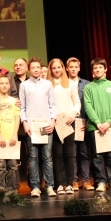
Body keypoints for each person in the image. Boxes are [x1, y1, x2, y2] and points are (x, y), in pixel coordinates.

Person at [20, 57, 57, 197]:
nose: (36, 70)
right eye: (33, 67)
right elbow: (22, 107)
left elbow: (52, 105)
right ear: (29, 69)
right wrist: (25, 123)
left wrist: (52, 122)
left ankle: (49, 186)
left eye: (38, 67)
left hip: (46, 125)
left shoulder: (48, 84)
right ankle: (35, 186)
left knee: (47, 157)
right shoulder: (24, 85)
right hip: (31, 126)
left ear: (41, 69)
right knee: (33, 158)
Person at [84, 58, 111, 192]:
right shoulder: (88, 87)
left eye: (100, 67)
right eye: (95, 68)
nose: (98, 70)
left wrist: (109, 121)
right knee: (97, 156)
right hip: (95, 127)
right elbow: (88, 106)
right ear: (92, 71)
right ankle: (100, 181)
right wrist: (98, 123)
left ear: (105, 69)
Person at [48, 59, 81, 195]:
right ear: (50, 70)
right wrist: (53, 118)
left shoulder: (71, 84)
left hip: (68, 121)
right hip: (55, 122)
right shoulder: (48, 84)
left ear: (63, 68)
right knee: (57, 154)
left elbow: (77, 102)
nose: (56, 70)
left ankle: (69, 183)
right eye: (54, 68)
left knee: (69, 153)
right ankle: (59, 184)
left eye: (59, 67)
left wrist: (73, 114)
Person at [66, 57, 93, 190]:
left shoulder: (87, 84)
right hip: (68, 122)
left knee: (84, 152)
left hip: (83, 122)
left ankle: (86, 180)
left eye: (76, 67)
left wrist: (88, 121)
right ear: (67, 68)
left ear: (79, 68)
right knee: (72, 154)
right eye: (71, 67)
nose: (73, 69)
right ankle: (74, 180)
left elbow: (90, 104)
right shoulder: (63, 84)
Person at [0, 75, 20, 189]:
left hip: (12, 137)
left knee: (13, 165)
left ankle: (11, 191)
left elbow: (17, 118)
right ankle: (1, 190)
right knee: (0, 166)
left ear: (9, 85)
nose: (4, 85)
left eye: (6, 83)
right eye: (1, 83)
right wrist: (0, 136)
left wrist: (14, 135)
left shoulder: (14, 101)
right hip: (0, 138)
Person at [13, 58, 29, 179]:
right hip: (15, 120)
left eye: (21, 65)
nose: (18, 67)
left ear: (26, 67)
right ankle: (20, 177)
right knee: (19, 151)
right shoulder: (11, 82)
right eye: (16, 65)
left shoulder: (32, 81)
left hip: (30, 120)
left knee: (32, 151)